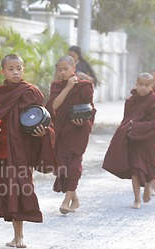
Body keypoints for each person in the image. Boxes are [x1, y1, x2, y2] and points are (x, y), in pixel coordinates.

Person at [0, 54, 57, 248]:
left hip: (22, 152)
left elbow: (43, 120)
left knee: (20, 189)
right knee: (10, 192)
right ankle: (16, 234)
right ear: (3, 71)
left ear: (23, 70)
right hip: (3, 152)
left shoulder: (30, 92)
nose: (15, 72)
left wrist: (42, 133)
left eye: (19, 68)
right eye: (11, 69)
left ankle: (19, 236)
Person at [103, 72, 155, 209]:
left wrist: (137, 126)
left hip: (150, 139)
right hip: (134, 139)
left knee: (151, 167)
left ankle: (147, 186)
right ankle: (137, 199)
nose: (143, 88)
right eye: (140, 85)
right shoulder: (130, 101)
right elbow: (126, 119)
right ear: (136, 85)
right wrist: (125, 131)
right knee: (135, 169)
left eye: (147, 85)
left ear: (152, 86)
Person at [45, 55, 96, 215]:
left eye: (65, 69)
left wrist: (84, 122)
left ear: (74, 69)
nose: (62, 72)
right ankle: (75, 199)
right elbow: (54, 106)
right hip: (61, 132)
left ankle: (66, 202)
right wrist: (67, 88)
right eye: (59, 70)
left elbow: (90, 109)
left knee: (73, 166)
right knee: (62, 167)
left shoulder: (85, 86)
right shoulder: (57, 86)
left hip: (78, 132)